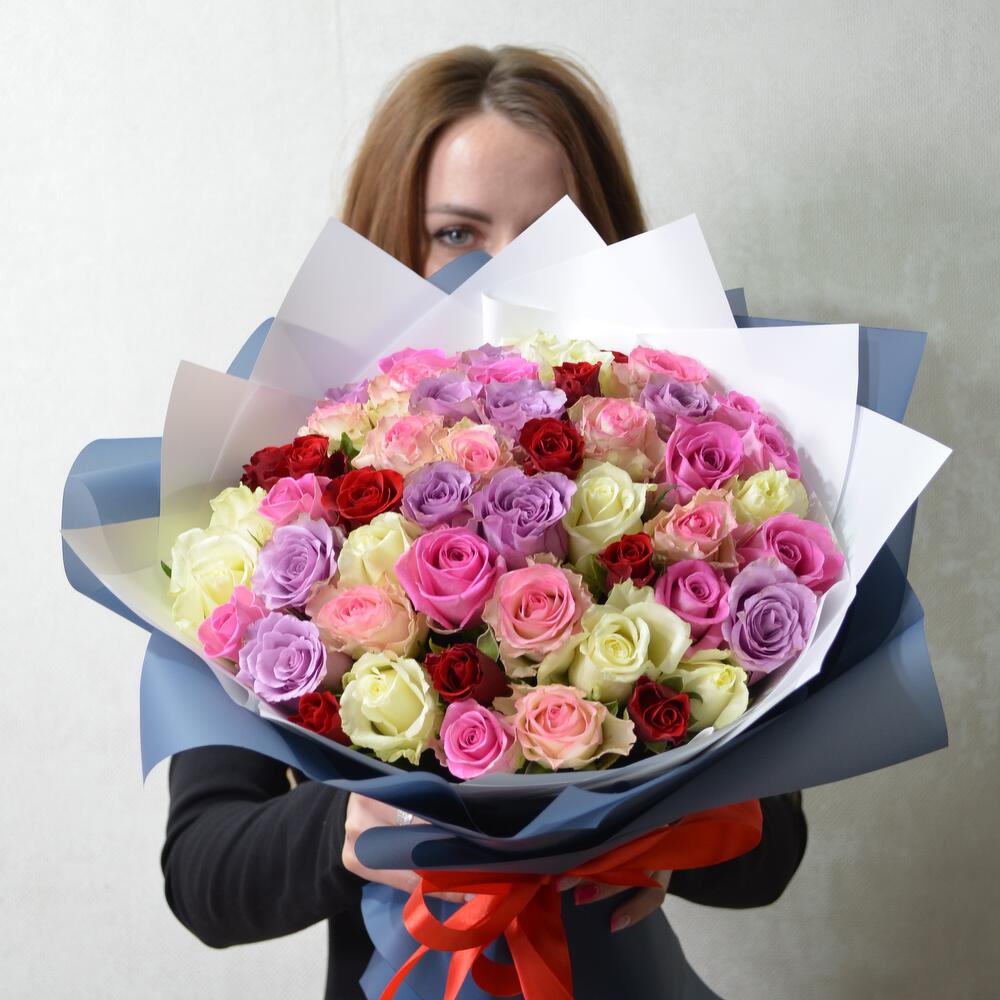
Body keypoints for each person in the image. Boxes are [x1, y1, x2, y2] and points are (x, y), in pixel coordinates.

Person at [162, 45, 808, 1000]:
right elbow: (203, 874)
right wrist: (347, 826)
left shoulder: (675, 491)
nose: (505, 277)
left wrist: (664, 828)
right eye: (458, 235)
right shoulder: (279, 503)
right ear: (393, 246)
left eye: (553, 232)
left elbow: (772, 855)